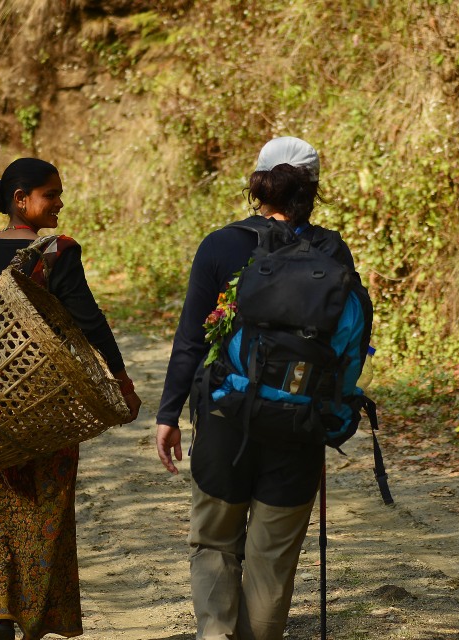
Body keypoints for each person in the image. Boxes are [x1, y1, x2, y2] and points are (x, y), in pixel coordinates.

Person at [154, 137, 358, 640]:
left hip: (226, 418)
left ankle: (215, 635)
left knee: (215, 542)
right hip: (299, 427)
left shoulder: (221, 245)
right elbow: (348, 347)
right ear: (311, 189)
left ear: (257, 182)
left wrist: (168, 413)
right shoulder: (332, 251)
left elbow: (192, 339)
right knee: (271, 560)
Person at [0, 157, 141, 640]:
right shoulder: (56, 252)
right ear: (22, 200)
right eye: (51, 194)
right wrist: (120, 378)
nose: (60, 202)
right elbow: (90, 319)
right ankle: (34, 619)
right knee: (47, 509)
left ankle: (1, 611)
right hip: (49, 405)